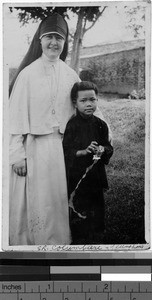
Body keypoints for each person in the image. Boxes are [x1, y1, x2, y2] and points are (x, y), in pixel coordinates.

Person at [9, 13, 81, 245]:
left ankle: (56, 243)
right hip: (34, 149)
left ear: (65, 42)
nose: (54, 42)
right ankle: (29, 245)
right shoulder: (27, 75)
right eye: (49, 37)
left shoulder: (71, 75)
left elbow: (85, 109)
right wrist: (17, 155)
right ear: (39, 40)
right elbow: (15, 118)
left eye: (59, 38)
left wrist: (102, 131)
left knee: (54, 199)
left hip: (59, 149)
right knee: (34, 201)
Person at [63, 81, 113, 244]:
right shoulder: (72, 126)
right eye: (83, 101)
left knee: (97, 204)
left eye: (92, 99)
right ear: (74, 103)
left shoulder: (100, 124)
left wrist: (103, 150)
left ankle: (97, 233)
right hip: (78, 175)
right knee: (79, 205)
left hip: (96, 174)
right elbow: (66, 150)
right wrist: (83, 151)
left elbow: (108, 145)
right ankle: (79, 236)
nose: (89, 104)